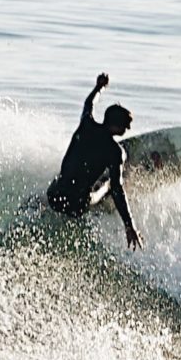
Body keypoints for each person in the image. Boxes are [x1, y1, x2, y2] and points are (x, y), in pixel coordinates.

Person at [44, 72, 141, 247]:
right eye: (126, 126)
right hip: (76, 206)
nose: (128, 128)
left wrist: (99, 87)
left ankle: (43, 204)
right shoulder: (115, 152)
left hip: (54, 197)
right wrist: (129, 224)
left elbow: (88, 103)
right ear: (117, 126)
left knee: (65, 178)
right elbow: (118, 191)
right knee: (112, 183)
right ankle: (101, 191)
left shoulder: (85, 124)